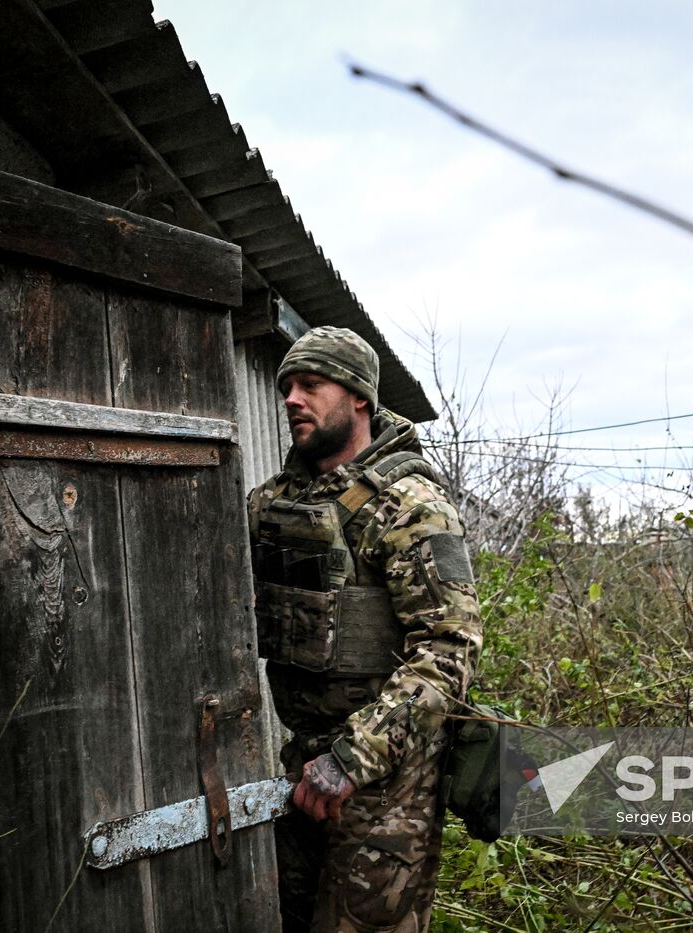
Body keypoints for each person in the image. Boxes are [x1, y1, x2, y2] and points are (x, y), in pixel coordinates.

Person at [248, 326, 483, 931]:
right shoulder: (272, 503)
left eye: (310, 384)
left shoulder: (411, 505)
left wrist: (352, 758)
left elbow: (449, 651)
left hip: (385, 787)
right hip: (302, 768)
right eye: (287, 388)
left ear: (359, 398)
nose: (292, 399)